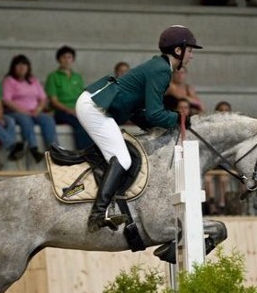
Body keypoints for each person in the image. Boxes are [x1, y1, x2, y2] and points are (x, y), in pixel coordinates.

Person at [76, 25, 202, 232]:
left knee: (121, 155)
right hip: (94, 107)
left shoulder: (160, 67)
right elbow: (154, 114)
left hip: (97, 105)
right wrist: (180, 118)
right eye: (190, 50)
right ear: (178, 51)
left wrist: (164, 125)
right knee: (122, 159)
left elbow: (139, 112)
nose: (192, 56)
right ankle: (97, 215)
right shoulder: (162, 70)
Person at [2, 54, 58, 165]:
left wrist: (39, 109)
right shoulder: (9, 80)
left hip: (34, 111)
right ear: (13, 67)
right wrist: (24, 111)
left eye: (24, 64)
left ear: (28, 67)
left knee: (48, 119)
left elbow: (43, 98)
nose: (21, 67)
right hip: (15, 112)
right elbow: (6, 100)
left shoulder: (33, 80)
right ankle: (33, 148)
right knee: (25, 119)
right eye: (18, 64)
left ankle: (54, 149)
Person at [45, 45, 92, 150]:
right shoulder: (53, 76)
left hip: (77, 109)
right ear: (59, 59)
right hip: (60, 111)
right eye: (64, 57)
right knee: (79, 123)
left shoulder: (77, 77)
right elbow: (53, 101)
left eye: (69, 57)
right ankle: (83, 153)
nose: (67, 60)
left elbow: (82, 96)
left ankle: (97, 154)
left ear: (73, 60)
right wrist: (70, 110)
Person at [204, 101, 231, 215]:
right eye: (221, 111)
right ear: (216, 113)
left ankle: (222, 205)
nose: (223, 114)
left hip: (224, 159)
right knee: (208, 178)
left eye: (226, 111)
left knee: (223, 177)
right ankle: (211, 206)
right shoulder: (210, 126)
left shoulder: (233, 127)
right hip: (211, 158)